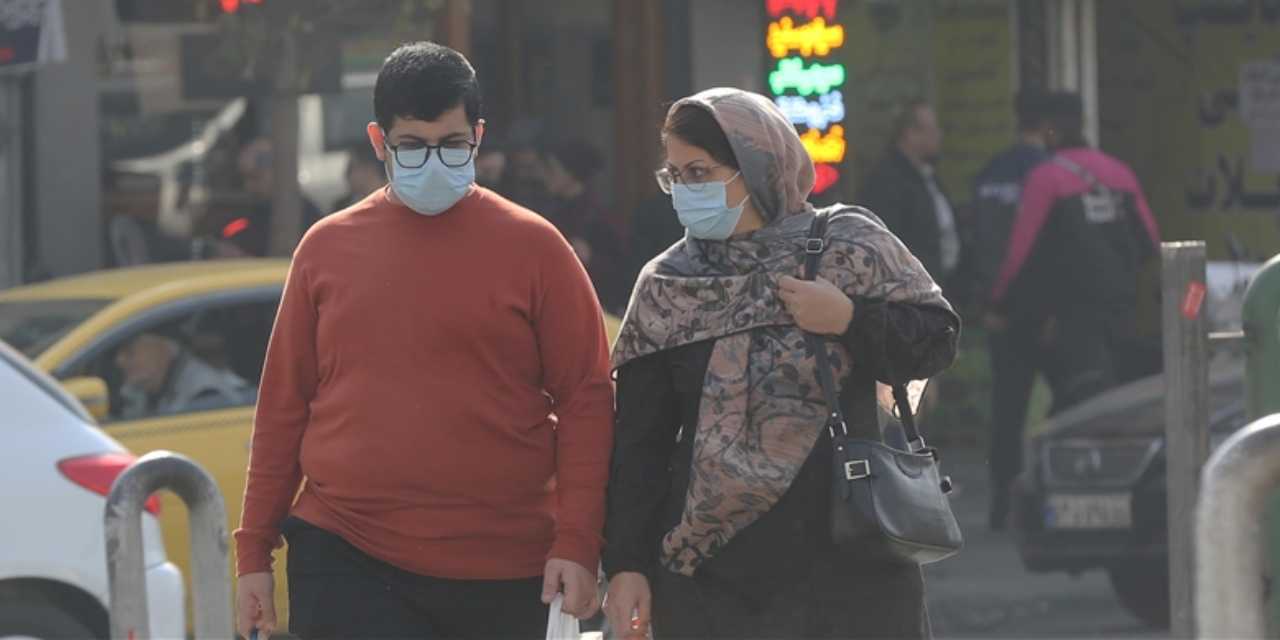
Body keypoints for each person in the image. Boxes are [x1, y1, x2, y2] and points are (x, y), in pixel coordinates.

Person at [234, 42, 614, 640]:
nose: (434, 162)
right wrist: (254, 550)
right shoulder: (325, 249)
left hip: (505, 566)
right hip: (346, 550)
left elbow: (587, 399)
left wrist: (578, 540)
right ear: (378, 141)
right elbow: (283, 405)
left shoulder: (537, 249)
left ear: (479, 137)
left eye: (453, 144)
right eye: (412, 145)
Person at [603, 88, 960, 639]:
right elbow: (639, 442)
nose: (686, 190)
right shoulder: (668, 285)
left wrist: (849, 319)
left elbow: (935, 340)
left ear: (758, 166)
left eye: (699, 172)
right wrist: (627, 564)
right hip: (711, 574)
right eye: (674, 176)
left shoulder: (847, 246)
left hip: (848, 563)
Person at [988, 92, 1161, 416]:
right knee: (1114, 409)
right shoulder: (1119, 173)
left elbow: (1020, 253)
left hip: (1071, 322)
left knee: (1073, 409)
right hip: (1121, 315)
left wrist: (999, 304)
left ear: (1049, 130)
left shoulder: (1046, 178)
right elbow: (1150, 242)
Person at [973, 91, 1054, 530]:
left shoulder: (991, 173)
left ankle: (1000, 501)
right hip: (1043, 314)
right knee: (1062, 405)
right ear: (1048, 127)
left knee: (1007, 408)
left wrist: (989, 300)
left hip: (1000, 311)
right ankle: (1047, 499)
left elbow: (978, 241)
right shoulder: (1052, 173)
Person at [858, 100, 961, 282]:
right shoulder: (887, 183)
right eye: (931, 130)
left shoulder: (928, 178)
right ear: (910, 134)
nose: (938, 135)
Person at [541, 138, 629, 313]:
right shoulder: (549, 209)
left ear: (570, 174)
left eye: (552, 169)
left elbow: (621, 271)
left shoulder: (599, 215)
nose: (546, 175)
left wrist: (590, 258)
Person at [115, 329, 251, 419]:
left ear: (164, 348)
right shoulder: (141, 389)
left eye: (130, 350)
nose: (120, 360)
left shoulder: (203, 393)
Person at [331, 144, 387, 211]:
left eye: (352, 167)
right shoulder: (342, 207)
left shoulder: (394, 200)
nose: (347, 174)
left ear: (369, 169)